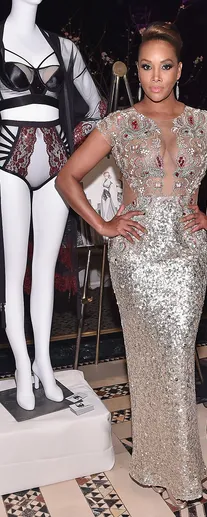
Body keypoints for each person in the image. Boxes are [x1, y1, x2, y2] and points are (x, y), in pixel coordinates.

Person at [56, 21, 207, 508]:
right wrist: (103, 226)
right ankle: (153, 462)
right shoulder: (120, 123)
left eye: (165, 67)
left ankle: (179, 465)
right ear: (139, 71)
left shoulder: (204, 122)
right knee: (149, 360)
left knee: (175, 357)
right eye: (146, 67)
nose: (155, 77)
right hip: (135, 253)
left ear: (179, 69)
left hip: (186, 253)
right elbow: (67, 178)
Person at [0, 0, 103, 410]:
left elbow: (96, 109)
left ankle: (44, 363)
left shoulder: (64, 47)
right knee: (15, 271)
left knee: (44, 270)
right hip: (7, 160)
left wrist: (74, 153)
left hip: (57, 164)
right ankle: (21, 367)